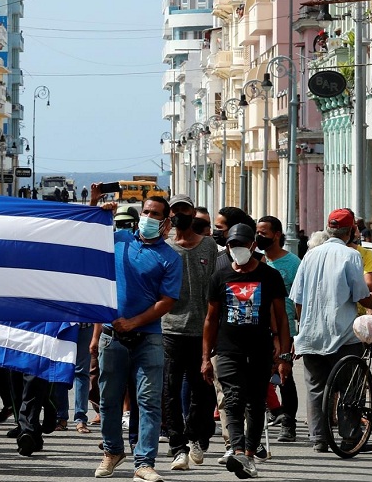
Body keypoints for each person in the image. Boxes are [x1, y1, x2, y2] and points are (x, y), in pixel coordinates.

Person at [89, 184, 181, 482]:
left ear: (166, 223)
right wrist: (94, 204)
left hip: (149, 338)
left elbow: (167, 301)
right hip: (111, 336)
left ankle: (144, 462)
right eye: (146, 212)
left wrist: (134, 322)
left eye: (155, 214)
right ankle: (112, 451)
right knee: (109, 399)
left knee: (149, 401)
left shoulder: (170, 257)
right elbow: (84, 236)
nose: (148, 217)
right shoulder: (119, 240)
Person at [201, 224, 292, 480]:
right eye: (232, 245)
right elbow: (210, 319)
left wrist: (284, 355)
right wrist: (205, 358)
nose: (237, 249)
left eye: (242, 244)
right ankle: (237, 449)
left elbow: (282, 318)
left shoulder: (269, 276)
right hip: (228, 349)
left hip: (260, 349)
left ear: (253, 245)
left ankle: (249, 455)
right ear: (227, 247)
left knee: (255, 402)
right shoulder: (219, 277)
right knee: (233, 398)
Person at [290, 208, 372, 453]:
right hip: (343, 334)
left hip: (311, 334)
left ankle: (318, 438)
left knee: (316, 387)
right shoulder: (351, 256)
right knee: (349, 387)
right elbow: (361, 295)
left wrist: (304, 323)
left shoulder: (310, 255)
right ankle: (350, 437)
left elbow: (297, 298)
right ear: (350, 231)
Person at [162, 195, 218, 471]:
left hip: (202, 330)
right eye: (175, 210)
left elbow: (216, 289)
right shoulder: (165, 247)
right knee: (170, 390)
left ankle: (197, 436)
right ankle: (177, 446)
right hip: (170, 329)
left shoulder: (209, 245)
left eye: (184, 209)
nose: (179, 215)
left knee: (203, 390)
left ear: (193, 212)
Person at [256, 215, 301, 442]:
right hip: (261, 328)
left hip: (286, 329)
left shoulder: (293, 263)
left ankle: (289, 424)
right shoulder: (257, 261)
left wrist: (300, 332)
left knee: (285, 376)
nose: (259, 236)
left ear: (277, 235)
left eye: (264, 232)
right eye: (258, 232)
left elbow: (301, 299)